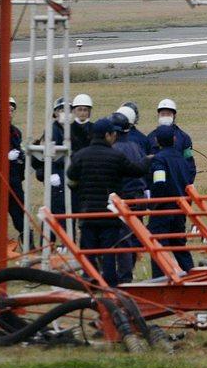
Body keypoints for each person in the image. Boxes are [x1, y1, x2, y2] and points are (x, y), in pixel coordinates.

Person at [66, 117, 150, 286]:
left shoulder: (80, 156)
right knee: (109, 253)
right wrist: (148, 159)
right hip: (109, 215)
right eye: (112, 134)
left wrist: (80, 191)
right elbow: (136, 171)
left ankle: (90, 282)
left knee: (89, 251)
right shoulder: (115, 156)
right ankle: (110, 285)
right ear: (107, 135)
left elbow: (71, 178)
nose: (114, 137)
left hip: (87, 213)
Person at [146, 125, 195, 277]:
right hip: (180, 208)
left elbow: (159, 183)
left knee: (158, 247)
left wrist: (153, 204)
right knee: (179, 246)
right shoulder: (182, 159)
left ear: (156, 141)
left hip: (163, 209)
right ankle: (193, 275)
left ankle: (159, 279)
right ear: (174, 139)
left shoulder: (159, 159)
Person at [112, 107, 148, 283]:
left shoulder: (115, 149)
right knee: (134, 237)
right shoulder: (136, 145)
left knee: (123, 239)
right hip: (140, 196)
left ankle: (124, 277)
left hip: (125, 198)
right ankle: (129, 270)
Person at [0, 97, 26, 239]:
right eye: (6, 110)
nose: (9, 113)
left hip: (13, 179)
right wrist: (4, 157)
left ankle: (27, 240)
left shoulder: (16, 132)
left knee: (19, 209)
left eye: (11, 110)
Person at [33, 97, 69, 217]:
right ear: (55, 113)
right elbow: (47, 156)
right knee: (55, 210)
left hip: (67, 173)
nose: (64, 113)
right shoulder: (52, 130)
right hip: (56, 175)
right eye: (61, 110)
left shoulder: (70, 130)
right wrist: (51, 174)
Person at [147, 98, 196, 185]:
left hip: (178, 182)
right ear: (158, 115)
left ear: (174, 115)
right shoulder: (150, 137)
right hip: (156, 182)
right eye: (163, 114)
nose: (165, 117)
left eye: (168, 114)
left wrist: (188, 182)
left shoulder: (184, 137)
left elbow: (189, 162)